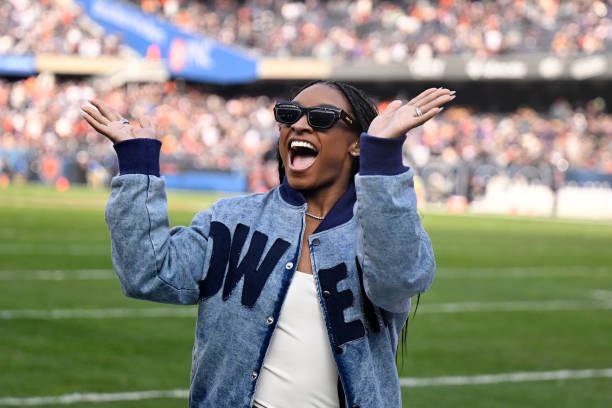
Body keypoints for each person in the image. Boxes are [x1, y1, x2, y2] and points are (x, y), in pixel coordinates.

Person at [81, 80, 454, 408]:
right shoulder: (230, 219)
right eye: (289, 113)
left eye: (321, 117)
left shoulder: (378, 233)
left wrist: (384, 158)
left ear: (356, 144)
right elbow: (147, 273)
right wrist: (137, 165)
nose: (300, 124)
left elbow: (399, 279)